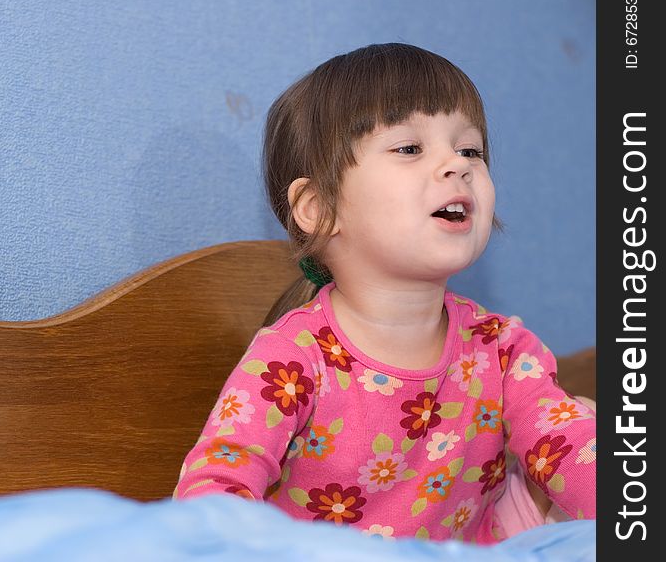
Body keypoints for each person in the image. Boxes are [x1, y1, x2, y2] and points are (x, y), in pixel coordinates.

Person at [173, 43, 596, 544]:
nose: (456, 166)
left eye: (471, 150)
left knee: (583, 420)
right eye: (410, 148)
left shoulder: (501, 348)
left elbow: (568, 444)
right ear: (318, 207)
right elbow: (218, 483)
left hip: (480, 544)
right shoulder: (290, 359)